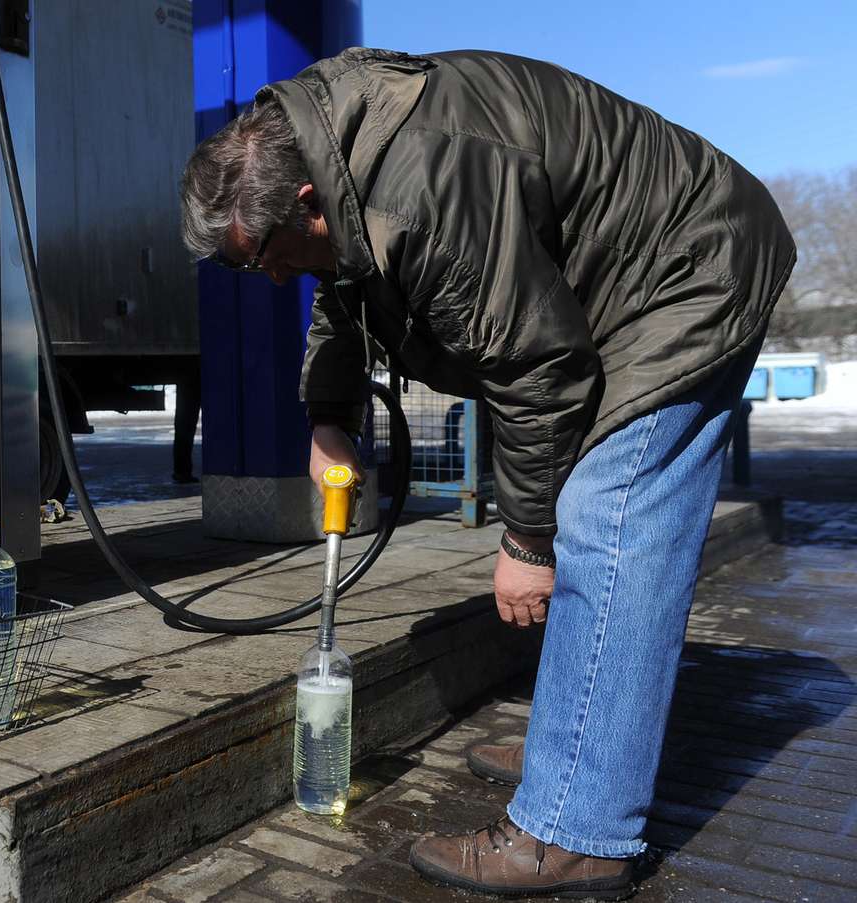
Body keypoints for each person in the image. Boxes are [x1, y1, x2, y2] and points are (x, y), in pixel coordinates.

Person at [179, 48, 794, 899]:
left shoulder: (427, 188)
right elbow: (344, 282)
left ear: (307, 202)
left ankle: (578, 828)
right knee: (594, 510)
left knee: (611, 515)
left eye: (264, 255)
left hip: (691, 267)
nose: (269, 274)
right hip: (619, 285)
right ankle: (574, 748)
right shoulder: (323, 152)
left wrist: (526, 539)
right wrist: (328, 417)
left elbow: (537, 368)